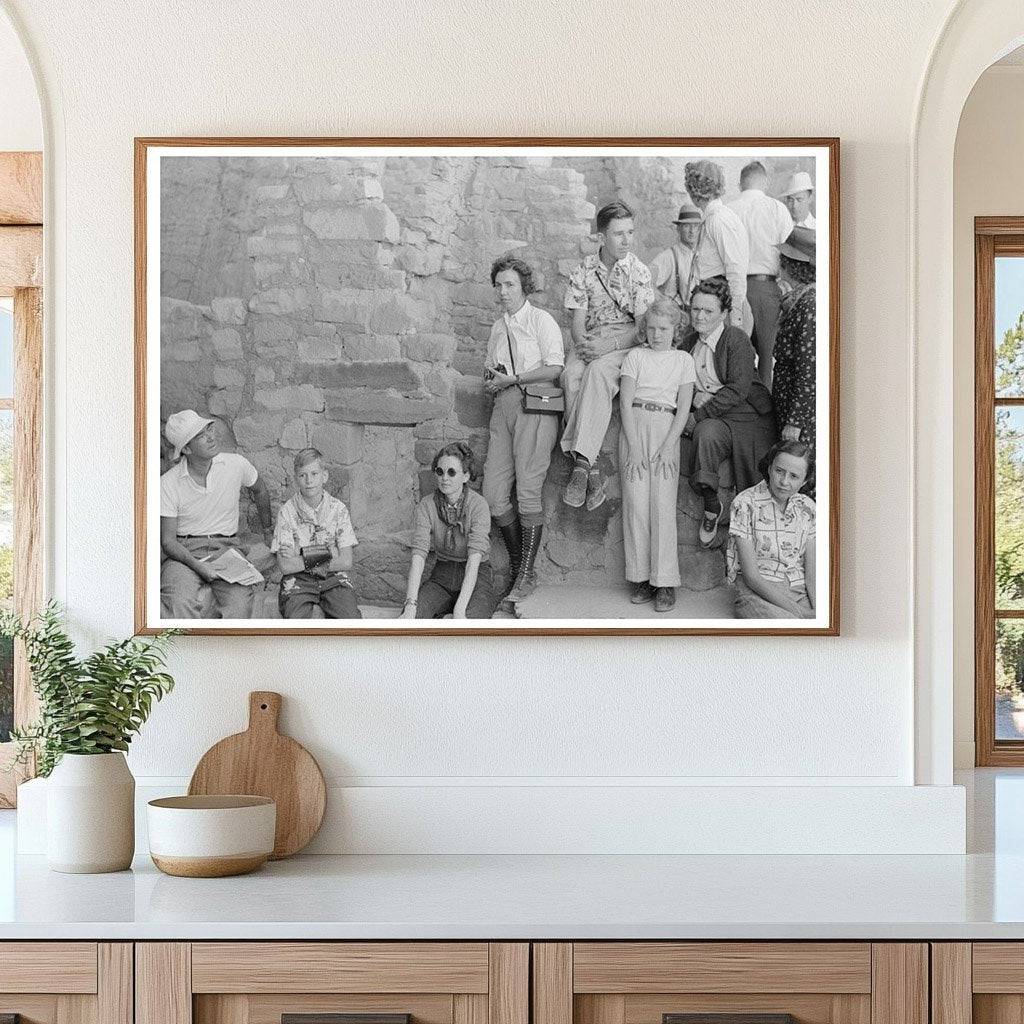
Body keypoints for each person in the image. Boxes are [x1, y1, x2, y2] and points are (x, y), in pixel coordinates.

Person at [560, 200, 655, 511]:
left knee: (599, 372)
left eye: (630, 232)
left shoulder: (639, 272)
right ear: (602, 237)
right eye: (618, 234)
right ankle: (592, 468)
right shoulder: (584, 270)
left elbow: (641, 328)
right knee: (570, 376)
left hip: (625, 341)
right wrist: (584, 346)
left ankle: (580, 465)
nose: (627, 240)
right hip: (591, 337)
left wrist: (606, 348)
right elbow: (577, 323)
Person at [482, 255, 564, 605]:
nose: (503, 291)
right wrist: (493, 381)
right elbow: (491, 368)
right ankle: (519, 564)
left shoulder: (540, 320)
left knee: (528, 490)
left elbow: (555, 367)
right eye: (499, 285)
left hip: (535, 405)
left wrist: (515, 378)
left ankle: (525, 574)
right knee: (493, 494)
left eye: (510, 284)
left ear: (524, 286)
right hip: (503, 407)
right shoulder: (497, 328)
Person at [678, 279, 777, 549]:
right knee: (705, 434)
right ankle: (712, 507)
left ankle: (759, 533)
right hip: (718, 418)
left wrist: (698, 413)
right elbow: (677, 383)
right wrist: (692, 400)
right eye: (696, 309)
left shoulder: (735, 338)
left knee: (756, 476)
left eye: (708, 311)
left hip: (748, 415)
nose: (700, 316)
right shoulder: (688, 344)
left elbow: (738, 388)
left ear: (723, 314)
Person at [618, 297, 696, 613]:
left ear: (675, 329)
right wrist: (634, 447)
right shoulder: (636, 356)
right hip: (635, 427)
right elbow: (625, 403)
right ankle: (641, 578)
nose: (657, 334)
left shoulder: (683, 360)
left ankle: (664, 582)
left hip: (667, 428)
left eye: (663, 329)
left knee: (662, 505)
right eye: (651, 328)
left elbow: (684, 407)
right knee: (636, 504)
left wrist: (668, 445)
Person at [160, 409, 272, 619]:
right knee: (177, 602)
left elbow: (260, 489)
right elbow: (168, 541)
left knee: (240, 604)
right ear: (186, 449)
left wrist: (268, 530)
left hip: (226, 549)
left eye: (209, 429)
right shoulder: (168, 483)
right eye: (200, 435)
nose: (211, 437)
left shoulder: (235, 464)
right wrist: (197, 566)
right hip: (184, 552)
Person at [401, 443, 497, 620]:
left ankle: (449, 616)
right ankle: (444, 616)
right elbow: (418, 556)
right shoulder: (426, 505)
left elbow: (474, 561)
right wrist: (410, 605)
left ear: (465, 476)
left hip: (476, 576)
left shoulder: (478, 505)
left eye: (452, 472)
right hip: (442, 575)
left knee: (470, 623)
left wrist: (459, 612)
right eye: (440, 472)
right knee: (412, 618)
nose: (444, 478)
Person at [727, 440, 816, 619]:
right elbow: (752, 577)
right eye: (779, 471)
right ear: (769, 469)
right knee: (787, 627)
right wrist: (801, 614)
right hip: (758, 593)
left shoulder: (807, 507)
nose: (784, 481)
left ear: (804, 481)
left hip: (798, 590)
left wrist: (819, 610)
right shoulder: (744, 503)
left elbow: (812, 571)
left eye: (794, 476)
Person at [726, 161, 794, 388]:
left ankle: (737, 403)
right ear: (765, 182)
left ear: (740, 184)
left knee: (734, 355)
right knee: (767, 357)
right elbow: (789, 251)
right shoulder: (777, 209)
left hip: (732, 287)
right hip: (766, 288)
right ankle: (766, 402)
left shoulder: (728, 210)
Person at [273, 447, 361, 619]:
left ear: (324, 476)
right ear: (296, 479)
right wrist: (330, 552)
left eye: (314, 474)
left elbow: (345, 561)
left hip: (334, 578)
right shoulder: (286, 512)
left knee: (351, 619)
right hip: (298, 580)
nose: (309, 481)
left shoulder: (338, 509)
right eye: (302, 475)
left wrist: (300, 555)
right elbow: (286, 566)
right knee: (295, 621)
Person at [772, 226, 817, 499]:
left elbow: (809, 369)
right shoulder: (799, 299)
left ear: (791, 265)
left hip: (801, 416)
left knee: (800, 479)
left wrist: (795, 421)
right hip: (790, 405)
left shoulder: (809, 304)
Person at [683, 160, 753, 336]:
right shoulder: (713, 217)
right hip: (713, 302)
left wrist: (736, 318)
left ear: (693, 190)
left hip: (723, 304)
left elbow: (735, 270)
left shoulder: (719, 219)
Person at [649, 203, 702, 324]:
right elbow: (645, 282)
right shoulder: (668, 256)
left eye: (695, 226)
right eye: (687, 226)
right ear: (678, 229)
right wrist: (665, 304)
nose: (692, 231)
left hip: (699, 318)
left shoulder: (703, 255)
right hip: (677, 319)